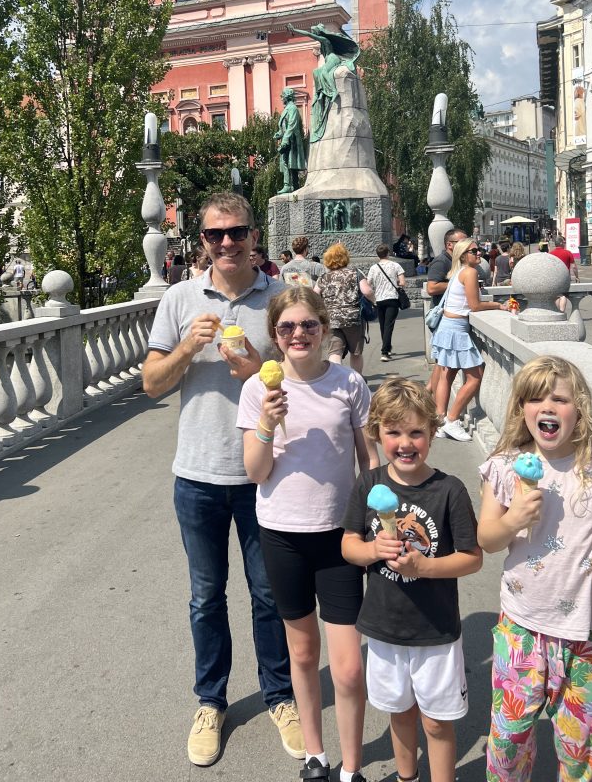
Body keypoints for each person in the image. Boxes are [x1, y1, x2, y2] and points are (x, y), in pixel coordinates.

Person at [142, 192, 303, 768]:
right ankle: (210, 702)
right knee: (206, 597)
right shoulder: (181, 299)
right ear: (201, 240)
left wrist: (255, 372)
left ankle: (281, 695)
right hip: (199, 472)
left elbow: (307, 380)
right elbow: (152, 383)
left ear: (254, 235)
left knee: (269, 595)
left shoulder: (279, 300)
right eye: (216, 235)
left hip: (267, 474)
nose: (228, 243)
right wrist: (189, 344)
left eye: (237, 232)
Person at [477, 356, 592, 782]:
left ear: (580, 409)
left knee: (583, 752)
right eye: (535, 398)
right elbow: (486, 539)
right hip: (522, 627)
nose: (547, 407)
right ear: (522, 409)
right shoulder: (504, 467)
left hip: (589, 633)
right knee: (507, 743)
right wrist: (512, 519)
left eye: (559, 398)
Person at [239, 288, 377, 782]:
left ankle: (353, 765)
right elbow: (256, 472)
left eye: (308, 326)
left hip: (339, 536)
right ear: (275, 337)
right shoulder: (259, 389)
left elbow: (369, 458)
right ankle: (316, 755)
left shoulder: (349, 384)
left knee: (348, 668)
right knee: (302, 652)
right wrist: (265, 425)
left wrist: (376, 512)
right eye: (287, 328)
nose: (298, 335)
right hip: (282, 534)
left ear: (323, 327)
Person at [342, 379, 482, 782]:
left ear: (433, 433)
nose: (406, 443)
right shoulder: (369, 485)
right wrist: (372, 551)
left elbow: (472, 559)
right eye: (394, 432)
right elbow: (349, 544)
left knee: (437, 723)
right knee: (399, 714)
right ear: (377, 433)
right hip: (384, 627)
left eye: (416, 432)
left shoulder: (449, 490)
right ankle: (408, 777)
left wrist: (424, 567)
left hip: (435, 630)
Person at [431, 239, 510, 441]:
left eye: (480, 250)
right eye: (474, 251)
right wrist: (498, 305)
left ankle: (440, 421)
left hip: (447, 328)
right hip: (456, 330)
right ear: (463, 254)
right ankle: (452, 420)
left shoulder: (457, 271)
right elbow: (475, 306)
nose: (479, 253)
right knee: (476, 377)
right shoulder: (471, 272)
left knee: (447, 375)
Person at [316, 243, 375, 376]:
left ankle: (337, 380)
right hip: (353, 318)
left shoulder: (324, 277)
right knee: (356, 353)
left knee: (335, 352)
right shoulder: (355, 272)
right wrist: (374, 301)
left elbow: (314, 295)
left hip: (331, 319)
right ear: (345, 258)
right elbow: (366, 291)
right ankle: (357, 380)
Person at [425, 228, 467, 397]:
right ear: (450, 245)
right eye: (461, 242)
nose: (466, 245)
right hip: (444, 319)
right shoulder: (441, 261)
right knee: (444, 366)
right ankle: (431, 400)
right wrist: (458, 284)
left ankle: (426, 394)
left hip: (450, 318)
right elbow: (431, 287)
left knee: (442, 364)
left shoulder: (455, 261)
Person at [366, 244, 406, 362]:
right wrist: (396, 282)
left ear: (378, 255)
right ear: (388, 253)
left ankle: (387, 348)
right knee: (389, 325)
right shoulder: (396, 265)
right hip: (392, 298)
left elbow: (369, 283)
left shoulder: (374, 268)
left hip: (379, 299)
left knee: (383, 325)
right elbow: (402, 283)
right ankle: (385, 352)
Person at [274, 87, 307, 194]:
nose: (282, 98)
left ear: (287, 97)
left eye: (283, 96)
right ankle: (295, 185)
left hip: (291, 140)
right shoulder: (288, 109)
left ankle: (287, 185)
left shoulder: (292, 108)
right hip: (288, 138)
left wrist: (285, 139)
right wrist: (279, 134)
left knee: (286, 162)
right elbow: (284, 126)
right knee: (291, 164)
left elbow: (292, 124)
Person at [549, 234, 580, 312]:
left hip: (554, 278)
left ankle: (557, 312)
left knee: (556, 295)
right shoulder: (568, 253)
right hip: (565, 277)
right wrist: (577, 276)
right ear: (561, 243)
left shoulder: (550, 254)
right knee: (563, 295)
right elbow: (574, 267)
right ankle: (562, 312)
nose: (565, 244)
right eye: (564, 242)